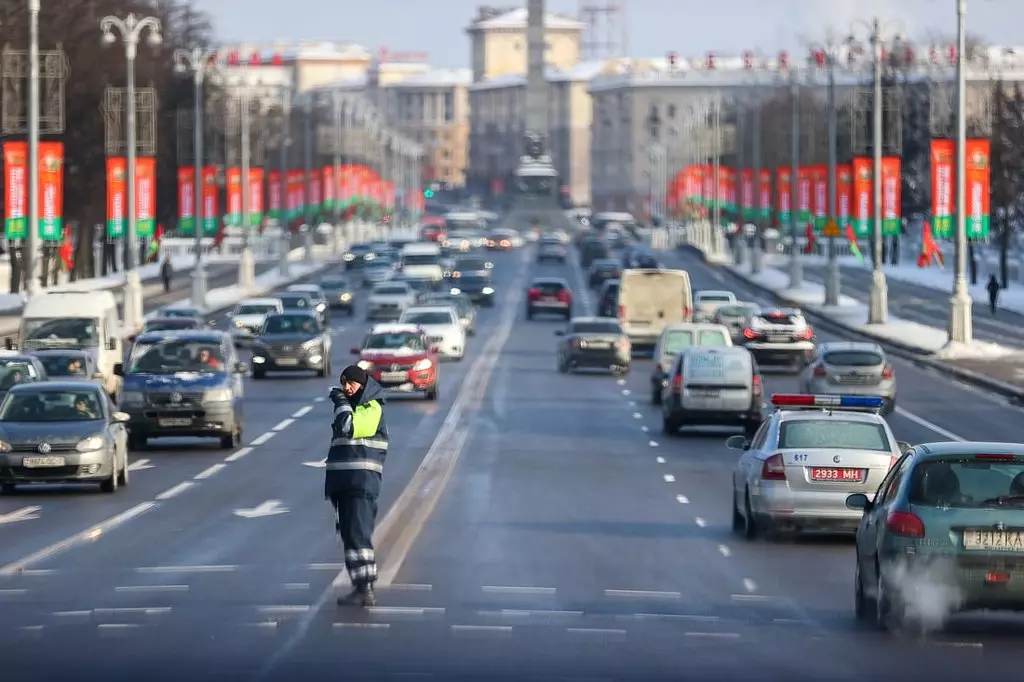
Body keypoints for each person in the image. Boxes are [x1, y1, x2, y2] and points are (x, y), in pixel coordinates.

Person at [326, 365, 389, 607]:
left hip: (360, 484)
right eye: (343, 383)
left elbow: (349, 427)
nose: (346, 388)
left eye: (350, 383)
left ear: (362, 385)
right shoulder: (352, 407)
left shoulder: (371, 408)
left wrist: (341, 402)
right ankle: (360, 584)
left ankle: (365, 587)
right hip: (346, 484)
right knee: (351, 536)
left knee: (358, 535)